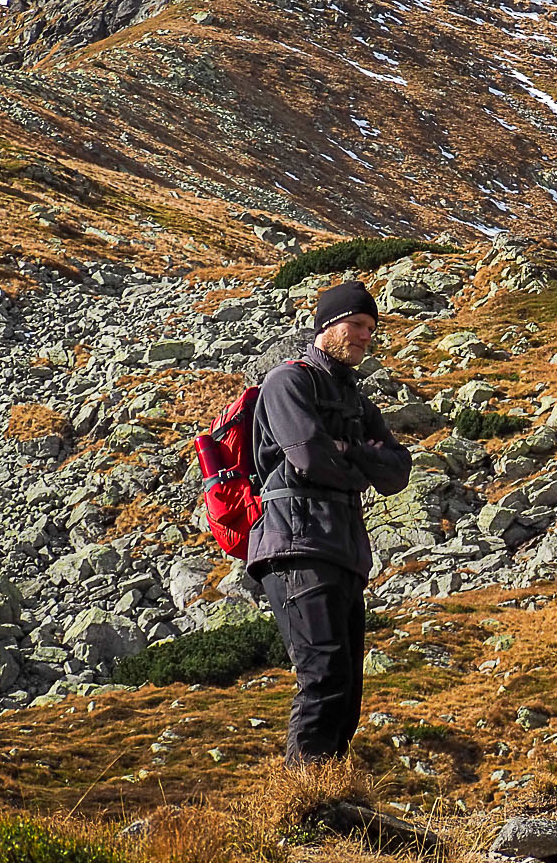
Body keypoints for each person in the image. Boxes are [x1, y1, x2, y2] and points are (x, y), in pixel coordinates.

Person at [247, 280, 411, 765]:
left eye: (371, 329)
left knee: (346, 688)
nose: (366, 337)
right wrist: (361, 459)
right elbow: (310, 459)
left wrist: (347, 450)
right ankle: (302, 807)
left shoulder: (357, 402)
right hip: (295, 545)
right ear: (327, 325)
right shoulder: (288, 381)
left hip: (342, 550)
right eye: (358, 325)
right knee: (322, 677)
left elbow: (398, 472)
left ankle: (328, 796)